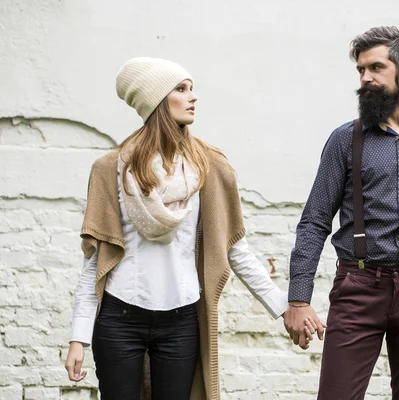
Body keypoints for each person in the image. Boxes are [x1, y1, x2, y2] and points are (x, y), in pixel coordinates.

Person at [64, 57, 292, 400]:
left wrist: (285, 307)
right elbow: (95, 262)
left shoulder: (208, 167)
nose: (193, 97)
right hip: (119, 319)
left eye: (192, 89)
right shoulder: (109, 169)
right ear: (156, 101)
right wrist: (78, 337)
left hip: (182, 322)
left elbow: (234, 250)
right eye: (181, 89)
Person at [284, 26, 399, 399]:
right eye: (360, 70)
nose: (365, 78)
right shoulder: (345, 140)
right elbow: (314, 221)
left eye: (376, 68)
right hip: (358, 287)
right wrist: (298, 299)